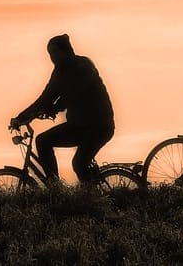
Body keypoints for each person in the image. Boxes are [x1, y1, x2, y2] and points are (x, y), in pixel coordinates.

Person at [10, 34, 115, 186]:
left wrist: (30, 115)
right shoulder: (62, 70)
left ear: (65, 51)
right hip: (79, 125)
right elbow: (48, 96)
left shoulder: (82, 66)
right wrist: (27, 116)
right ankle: (56, 188)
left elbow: (73, 92)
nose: (52, 57)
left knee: (79, 163)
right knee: (43, 141)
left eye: (54, 52)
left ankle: (91, 199)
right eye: (50, 54)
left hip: (99, 127)